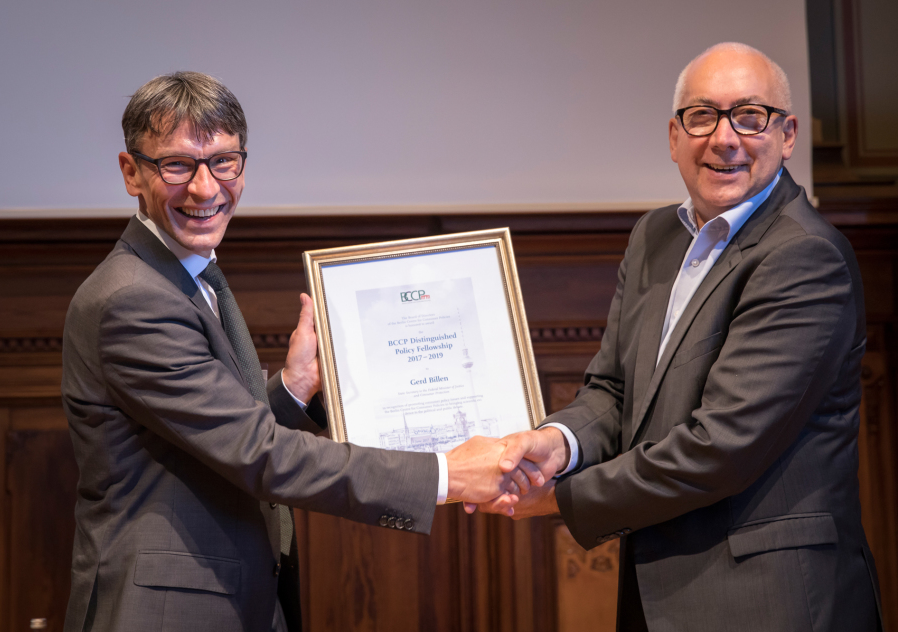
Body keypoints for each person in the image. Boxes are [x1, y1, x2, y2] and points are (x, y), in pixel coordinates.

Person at [61, 72, 538, 632]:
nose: (204, 188)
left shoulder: (184, 275)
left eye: (223, 161)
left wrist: (293, 387)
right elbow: (259, 453)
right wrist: (448, 474)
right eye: (177, 165)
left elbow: (210, 435)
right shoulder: (134, 299)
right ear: (130, 172)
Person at [477, 43, 883, 631]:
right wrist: (557, 444)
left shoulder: (804, 256)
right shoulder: (654, 236)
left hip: (771, 604)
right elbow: (614, 391)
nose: (724, 138)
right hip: (662, 594)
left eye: (750, 115)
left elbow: (722, 445)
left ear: (788, 134)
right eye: (702, 116)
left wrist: (560, 498)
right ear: (674, 137)